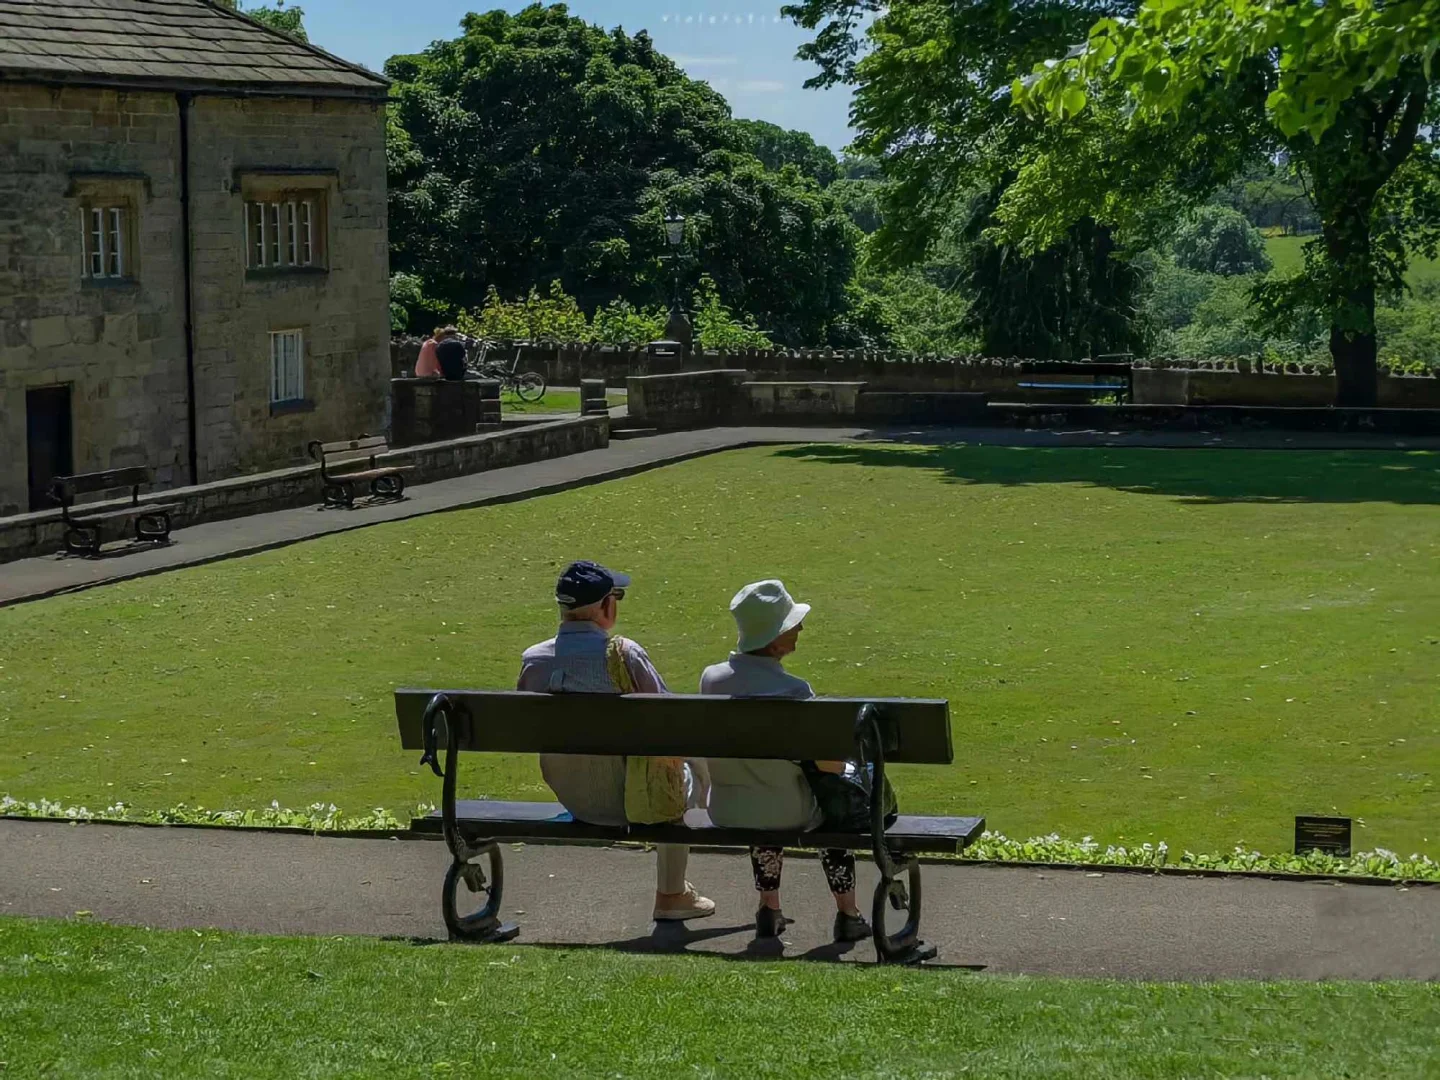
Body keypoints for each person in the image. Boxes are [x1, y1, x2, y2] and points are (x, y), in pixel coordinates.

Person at [518, 560, 715, 923]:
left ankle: (677, 890)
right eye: (616, 596)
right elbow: (672, 723)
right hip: (633, 800)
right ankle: (672, 893)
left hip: (575, 796)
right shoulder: (625, 655)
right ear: (605, 606)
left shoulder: (534, 661)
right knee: (681, 771)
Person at [701, 580, 872, 943]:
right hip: (786, 810)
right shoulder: (794, 691)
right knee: (831, 806)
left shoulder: (711, 679)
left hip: (727, 807)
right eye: (793, 625)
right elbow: (828, 765)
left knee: (765, 795)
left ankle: (769, 907)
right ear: (775, 639)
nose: (801, 629)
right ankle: (848, 912)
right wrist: (854, 769)